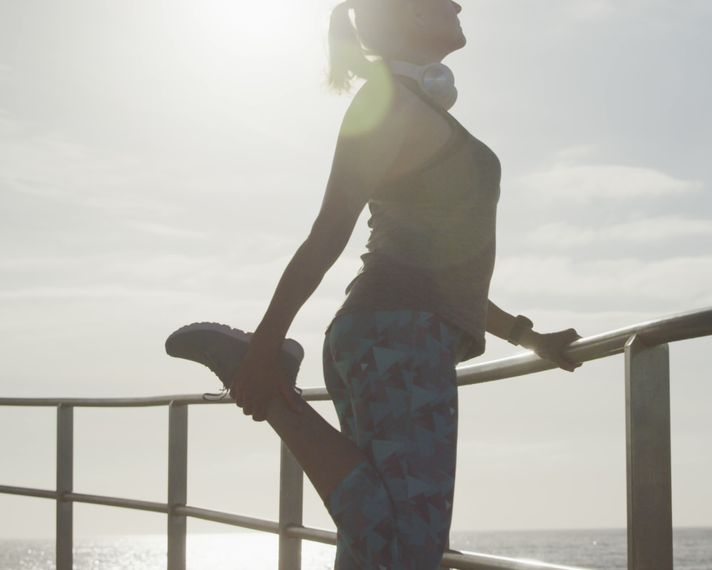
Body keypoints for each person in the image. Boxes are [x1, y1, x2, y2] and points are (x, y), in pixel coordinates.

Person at [165, 1, 582, 568]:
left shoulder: (411, 107)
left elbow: (442, 273)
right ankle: (273, 394)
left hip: (395, 337)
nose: (458, 5)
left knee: (371, 544)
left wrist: (527, 337)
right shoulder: (387, 105)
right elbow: (330, 230)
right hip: (397, 343)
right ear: (410, 15)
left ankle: (271, 385)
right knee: (407, 549)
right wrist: (264, 346)